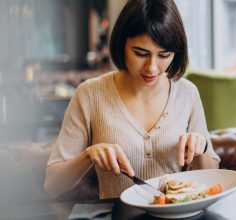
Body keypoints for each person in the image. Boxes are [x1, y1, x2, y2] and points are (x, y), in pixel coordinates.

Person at [44, 0, 220, 199]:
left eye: (164, 55)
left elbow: (213, 175)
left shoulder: (187, 93)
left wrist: (202, 147)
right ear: (122, 43)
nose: (152, 67)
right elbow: (52, 184)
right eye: (140, 53)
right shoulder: (89, 94)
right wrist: (88, 155)